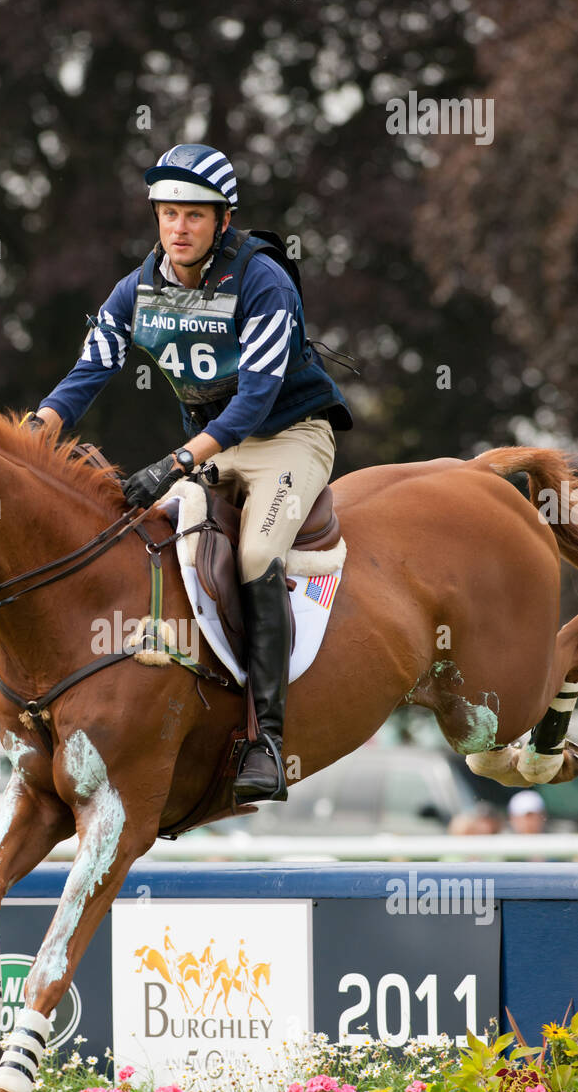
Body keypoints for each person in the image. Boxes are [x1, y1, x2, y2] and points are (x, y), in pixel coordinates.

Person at [33, 143, 352, 804]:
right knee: (152, 538)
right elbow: (90, 368)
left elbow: (256, 400)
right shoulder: (137, 288)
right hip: (215, 447)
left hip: (288, 438)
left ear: (223, 221)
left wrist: (177, 462)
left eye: (193, 215)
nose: (177, 227)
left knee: (259, 549)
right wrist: (39, 425)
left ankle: (264, 739)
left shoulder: (264, 280)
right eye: (167, 213)